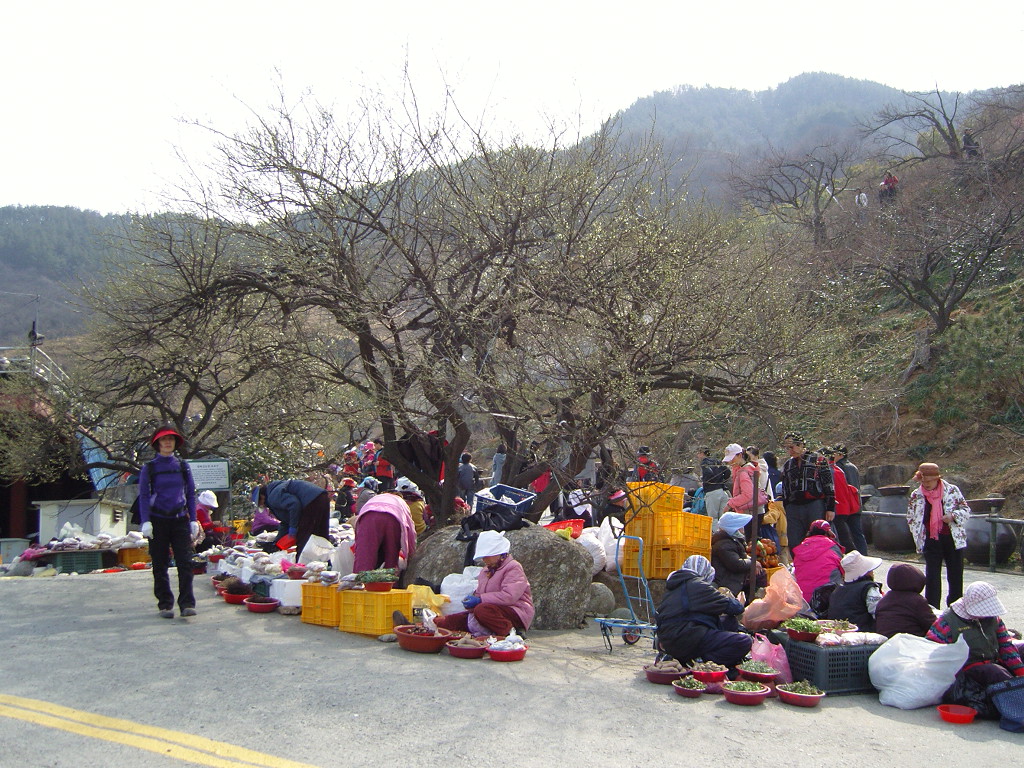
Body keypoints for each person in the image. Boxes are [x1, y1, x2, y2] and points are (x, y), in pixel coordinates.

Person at [927, 582, 1024, 717]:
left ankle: (1018, 687)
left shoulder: (994, 619)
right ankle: (1018, 701)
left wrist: (1020, 672)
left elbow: (1006, 645)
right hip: (966, 672)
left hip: (992, 660)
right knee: (993, 671)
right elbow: (933, 655)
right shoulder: (947, 622)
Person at [138, 425, 198, 619]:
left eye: (171, 440)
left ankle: (187, 603)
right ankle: (165, 604)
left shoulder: (182, 466)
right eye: (164, 440)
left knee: (185, 562)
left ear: (175, 443)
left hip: (180, 519)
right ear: (157, 444)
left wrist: (194, 520)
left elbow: (190, 493)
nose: (167, 443)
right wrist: (146, 521)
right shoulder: (150, 468)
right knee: (160, 564)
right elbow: (144, 495)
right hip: (158, 521)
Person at [655, 554, 752, 668]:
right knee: (744, 641)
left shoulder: (674, 586)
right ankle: (701, 661)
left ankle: (687, 657)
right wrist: (736, 600)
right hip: (686, 637)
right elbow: (736, 608)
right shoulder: (698, 586)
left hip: (670, 639)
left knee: (728, 621)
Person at [433, 530, 534, 637]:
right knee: (451, 621)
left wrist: (480, 600)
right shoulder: (486, 571)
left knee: (482, 610)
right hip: (490, 610)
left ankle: (510, 633)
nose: (484, 560)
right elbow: (479, 594)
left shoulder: (513, 568)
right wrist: (471, 603)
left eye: (487, 556)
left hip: (515, 612)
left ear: (499, 553)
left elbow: (509, 596)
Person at [906, 462, 970, 608]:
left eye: (929, 481)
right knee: (932, 576)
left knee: (955, 575)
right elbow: (910, 516)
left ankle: (955, 608)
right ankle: (932, 609)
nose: (926, 484)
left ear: (937, 479)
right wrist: (917, 530)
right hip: (931, 539)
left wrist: (953, 516)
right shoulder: (917, 495)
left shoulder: (952, 491)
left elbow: (966, 510)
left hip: (952, 538)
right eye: (923, 481)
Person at [779, 432, 834, 550]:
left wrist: (830, 508)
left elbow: (828, 484)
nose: (790, 451)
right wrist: (787, 505)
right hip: (794, 507)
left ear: (800, 445)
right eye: (787, 448)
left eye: (792, 447)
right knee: (794, 541)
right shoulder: (788, 465)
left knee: (817, 538)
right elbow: (785, 488)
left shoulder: (818, 460)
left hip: (814, 504)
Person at [256, 479, 331, 559]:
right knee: (321, 534)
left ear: (262, 497)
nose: (262, 505)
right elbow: (286, 521)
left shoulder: (273, 496)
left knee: (303, 538)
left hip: (311, 501)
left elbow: (294, 504)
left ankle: (301, 565)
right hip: (322, 496)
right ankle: (325, 562)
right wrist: (276, 542)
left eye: (260, 503)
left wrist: (293, 526)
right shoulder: (276, 490)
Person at [351, 492, 417, 573]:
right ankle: (389, 582)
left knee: (364, 557)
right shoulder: (401, 502)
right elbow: (410, 530)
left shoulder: (376, 498)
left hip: (368, 516)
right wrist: (410, 553)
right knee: (391, 557)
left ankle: (360, 582)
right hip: (393, 518)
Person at [874, 563, 936, 638]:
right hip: (909, 643)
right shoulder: (917, 601)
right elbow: (932, 626)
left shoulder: (883, 600)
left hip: (885, 643)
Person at [826, 551, 883, 632]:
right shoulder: (869, 588)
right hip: (862, 633)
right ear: (867, 572)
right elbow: (878, 612)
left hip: (837, 633)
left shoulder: (837, 590)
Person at [792, 519, 844, 604]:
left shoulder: (800, 549)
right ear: (828, 533)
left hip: (803, 600)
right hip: (827, 599)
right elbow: (844, 570)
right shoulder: (832, 547)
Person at [711, 511, 758, 598]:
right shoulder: (724, 545)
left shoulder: (730, 541)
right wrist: (753, 562)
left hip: (735, 580)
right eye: (740, 527)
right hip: (728, 583)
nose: (743, 530)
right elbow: (737, 564)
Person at [832, 444, 869, 555]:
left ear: (840, 454)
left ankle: (854, 557)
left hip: (846, 505)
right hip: (855, 504)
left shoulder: (839, 467)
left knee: (845, 534)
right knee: (857, 533)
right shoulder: (852, 466)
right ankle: (863, 556)